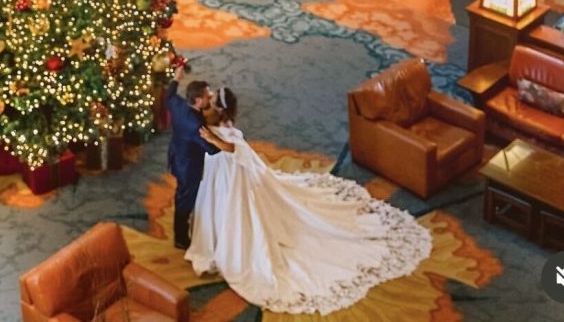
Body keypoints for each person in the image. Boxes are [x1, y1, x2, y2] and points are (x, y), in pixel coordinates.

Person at [186, 87, 433, 315]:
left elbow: (233, 149)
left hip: (235, 178)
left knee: (245, 216)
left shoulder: (226, 132)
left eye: (211, 103)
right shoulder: (218, 121)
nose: (207, 104)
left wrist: (212, 140)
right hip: (223, 175)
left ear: (220, 110)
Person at [165, 65, 220, 250]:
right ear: (197, 100)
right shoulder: (195, 124)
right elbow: (212, 149)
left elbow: (169, 96)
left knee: (182, 194)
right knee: (185, 199)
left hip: (176, 155)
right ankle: (180, 238)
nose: (209, 97)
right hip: (189, 167)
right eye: (206, 96)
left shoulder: (178, 104)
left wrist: (176, 78)